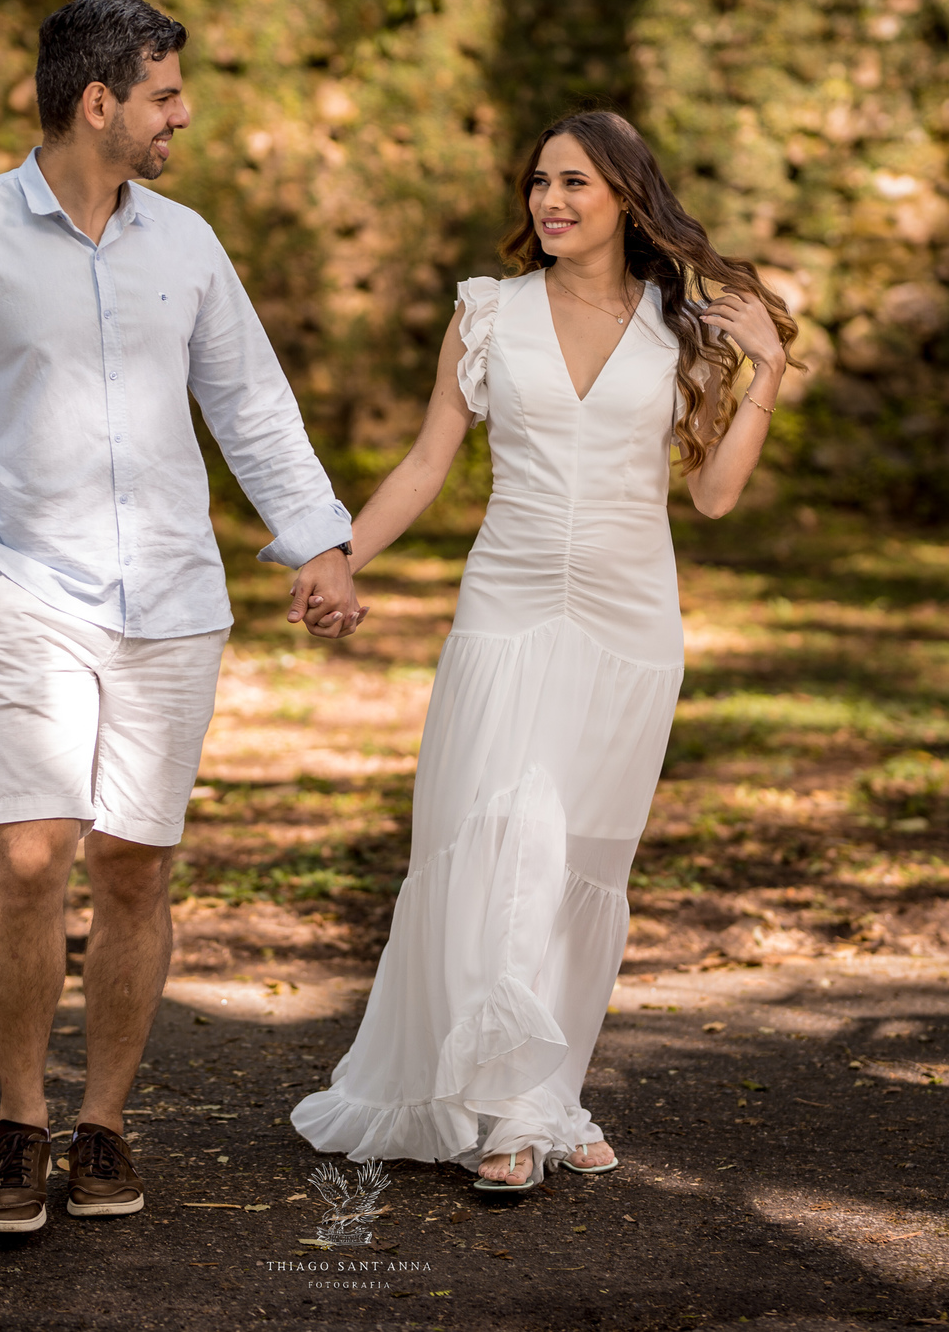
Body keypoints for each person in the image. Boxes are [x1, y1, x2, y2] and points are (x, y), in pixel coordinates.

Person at [0, 0, 363, 1234]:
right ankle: (20, 1122)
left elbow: (251, 402)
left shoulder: (186, 244)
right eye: (163, 94)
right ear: (98, 102)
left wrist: (318, 539)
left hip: (174, 600)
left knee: (135, 865)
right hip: (30, 590)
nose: (179, 116)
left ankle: (103, 1126)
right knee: (30, 854)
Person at [292, 109, 798, 1189]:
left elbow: (712, 497)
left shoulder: (682, 329)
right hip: (507, 607)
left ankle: (542, 1092)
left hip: (630, 624)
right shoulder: (487, 315)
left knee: (578, 865)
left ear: (627, 198)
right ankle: (512, 1113)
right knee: (503, 831)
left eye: (575, 183)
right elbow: (428, 464)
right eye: (538, 183)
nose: (550, 201)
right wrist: (341, 556)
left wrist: (768, 369)